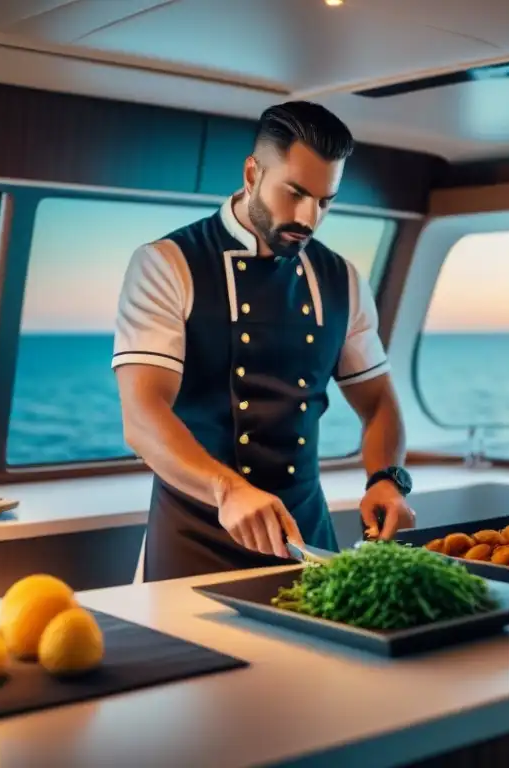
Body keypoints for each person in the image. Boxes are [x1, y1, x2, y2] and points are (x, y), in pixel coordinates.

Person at [112, 101, 416, 582]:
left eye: (325, 201)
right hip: (194, 543)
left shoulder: (343, 280)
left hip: (308, 541)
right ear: (252, 173)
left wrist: (387, 479)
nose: (309, 217)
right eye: (294, 192)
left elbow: (378, 402)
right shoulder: (165, 265)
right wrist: (227, 490)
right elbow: (142, 417)